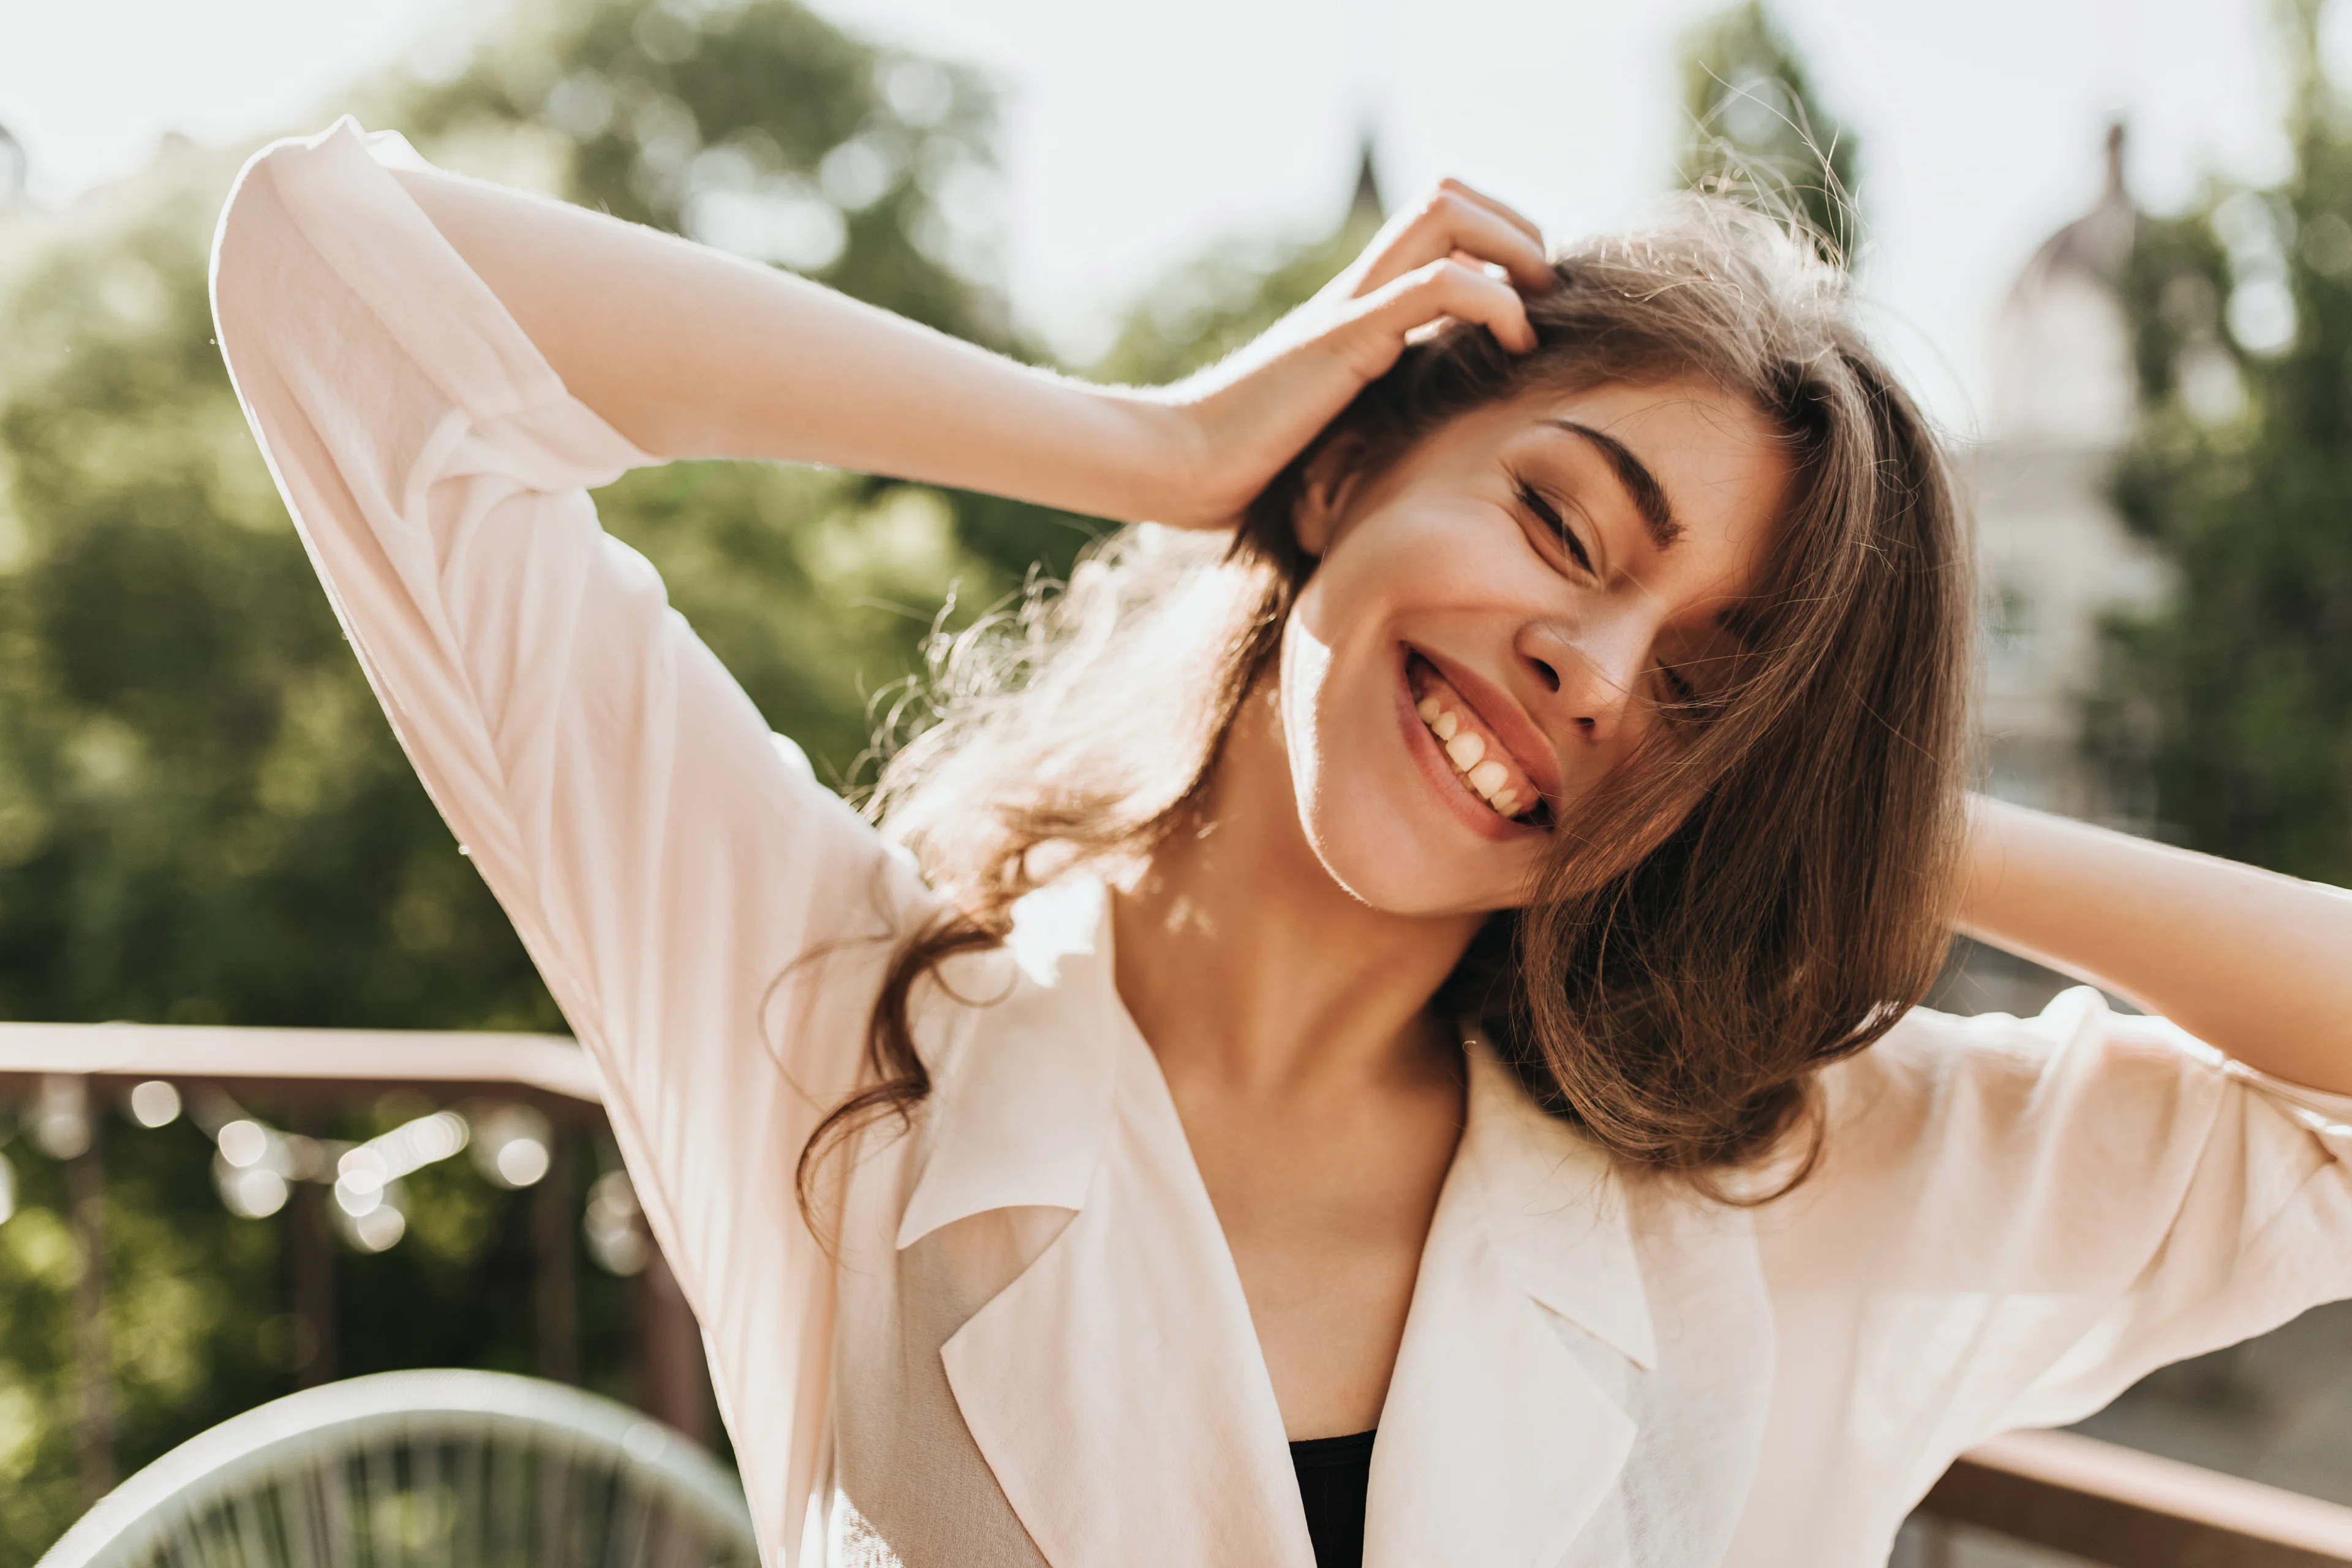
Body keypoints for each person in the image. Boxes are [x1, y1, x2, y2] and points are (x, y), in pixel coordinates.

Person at [209, 118, 2352, 1568]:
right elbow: (342, 283)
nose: (1596, 672)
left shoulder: (1776, 1177)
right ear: (1344, 472)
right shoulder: (837, 1030)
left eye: (1706, 687)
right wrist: (1143, 445)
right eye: (1558, 522)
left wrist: (1843, 793)